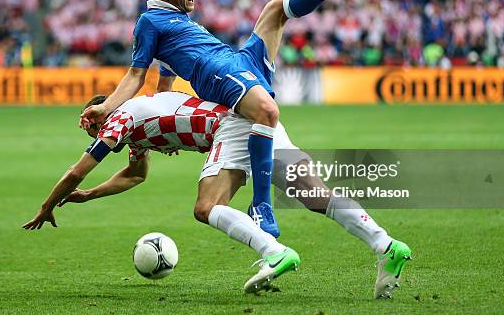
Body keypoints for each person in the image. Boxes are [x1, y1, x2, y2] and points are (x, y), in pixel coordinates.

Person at [78, 0, 361, 238]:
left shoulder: (179, 23)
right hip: (218, 74)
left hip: (239, 62)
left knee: (277, 7)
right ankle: (262, 205)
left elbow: (164, 87)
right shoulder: (151, 21)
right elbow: (135, 75)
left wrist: (166, 123)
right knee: (266, 113)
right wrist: (106, 107)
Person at [25, 91, 411, 298]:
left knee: (207, 206)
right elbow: (136, 174)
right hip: (255, 118)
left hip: (230, 128)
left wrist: (46, 206)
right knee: (313, 194)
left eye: (93, 119)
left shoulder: (120, 117)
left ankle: (274, 252)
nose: (92, 128)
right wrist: (88, 195)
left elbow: (76, 170)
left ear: (104, 109)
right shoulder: (135, 125)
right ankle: (385, 244)